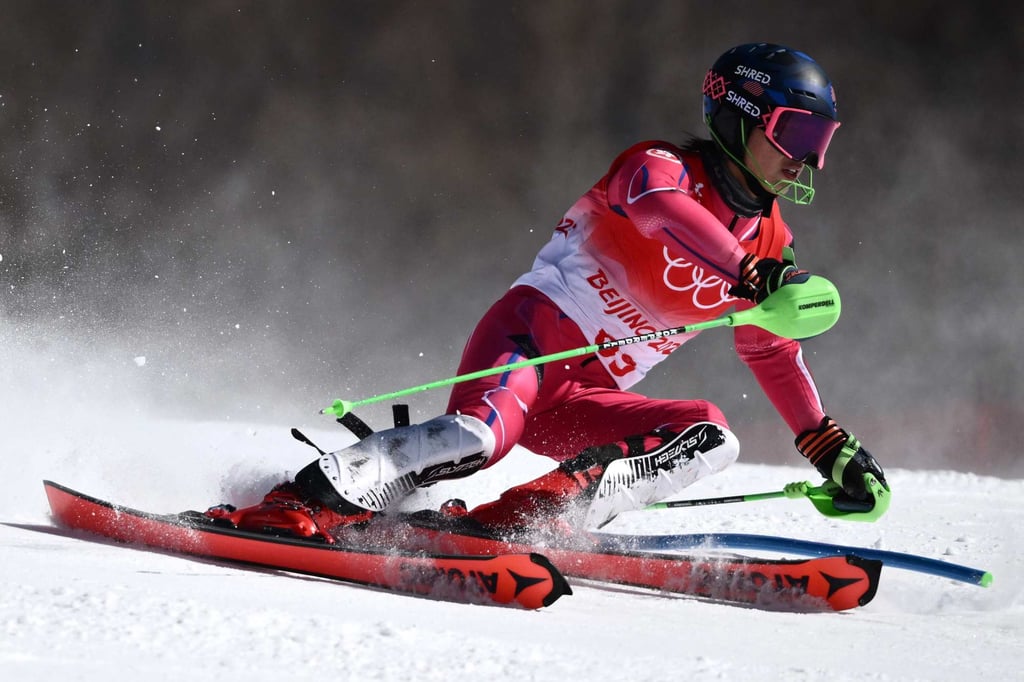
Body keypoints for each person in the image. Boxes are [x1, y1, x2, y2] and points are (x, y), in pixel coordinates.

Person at [207, 42, 889, 541]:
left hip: (581, 402)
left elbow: (770, 350)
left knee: (711, 436)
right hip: (530, 342)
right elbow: (659, 210)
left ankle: (521, 523)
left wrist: (827, 448)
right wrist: (749, 273)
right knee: (479, 435)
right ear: (741, 117)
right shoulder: (659, 166)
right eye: (794, 132)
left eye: (819, 140)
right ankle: (305, 496)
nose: (806, 158)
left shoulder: (772, 244)